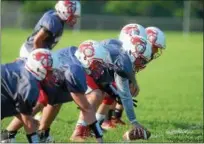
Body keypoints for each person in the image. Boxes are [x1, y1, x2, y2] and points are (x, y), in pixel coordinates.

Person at [1, 40, 112, 143]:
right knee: (36, 103)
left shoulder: (74, 56)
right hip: (35, 78)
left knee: (54, 99)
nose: (99, 68)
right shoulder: (75, 71)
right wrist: (99, 137)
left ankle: (42, 133)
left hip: (42, 77)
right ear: (85, 58)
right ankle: (8, 134)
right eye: (97, 64)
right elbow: (86, 108)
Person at [71, 35, 152, 141]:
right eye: (141, 60)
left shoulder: (121, 51)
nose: (142, 64)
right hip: (87, 65)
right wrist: (134, 121)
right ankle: (79, 131)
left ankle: (92, 126)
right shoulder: (123, 62)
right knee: (96, 94)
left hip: (95, 67)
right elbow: (125, 95)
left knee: (105, 93)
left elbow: (108, 42)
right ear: (132, 53)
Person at [103, 25, 166, 130]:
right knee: (115, 90)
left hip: (117, 72)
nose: (156, 50)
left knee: (127, 89)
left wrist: (133, 82)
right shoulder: (135, 49)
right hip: (108, 72)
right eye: (155, 46)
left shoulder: (143, 53)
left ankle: (115, 116)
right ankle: (106, 119)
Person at [1, 49, 53, 143]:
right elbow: (28, 123)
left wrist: (30, 120)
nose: (50, 74)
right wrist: (35, 141)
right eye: (47, 70)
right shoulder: (29, 85)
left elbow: (18, 107)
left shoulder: (24, 63)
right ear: (38, 68)